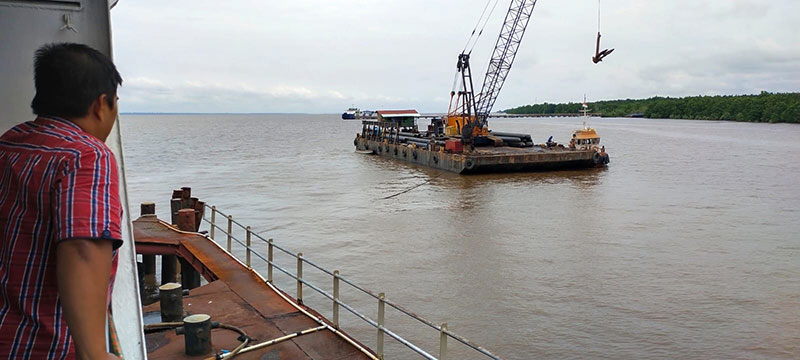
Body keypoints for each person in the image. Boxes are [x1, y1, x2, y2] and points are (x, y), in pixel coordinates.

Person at [0, 43, 123, 359]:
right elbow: (83, 248)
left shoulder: (9, 144)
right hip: (42, 347)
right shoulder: (87, 156)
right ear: (101, 105)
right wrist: (96, 355)